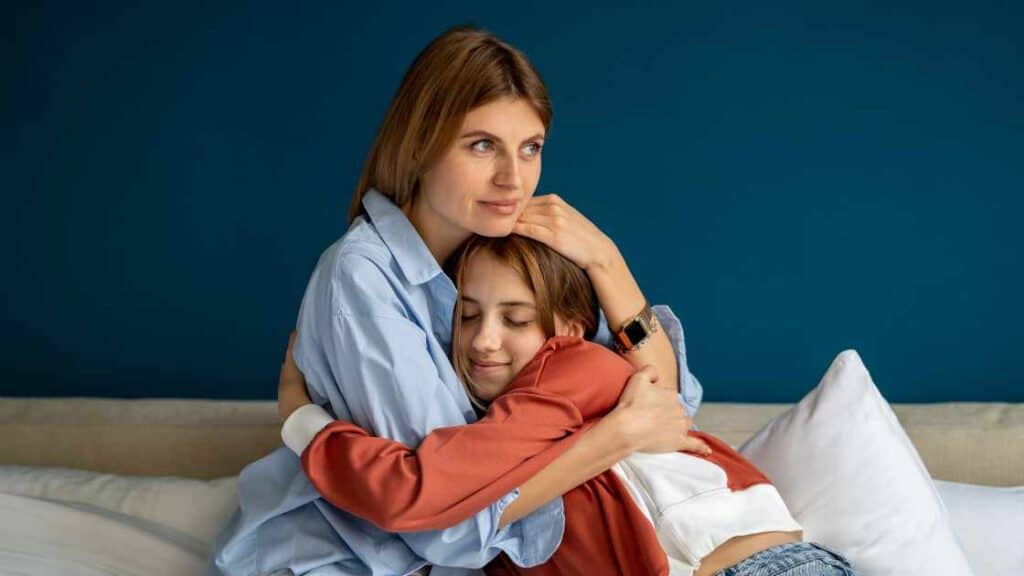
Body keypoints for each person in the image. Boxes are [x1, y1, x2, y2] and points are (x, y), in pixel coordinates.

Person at [209, 25, 702, 576]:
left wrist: (607, 262)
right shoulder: (362, 276)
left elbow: (664, 407)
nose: (512, 178)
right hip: (344, 562)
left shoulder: (497, 255)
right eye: (482, 145)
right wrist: (609, 439)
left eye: (530, 148)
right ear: (420, 145)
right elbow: (446, 526)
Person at [279, 235, 857, 576]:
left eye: (516, 318)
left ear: (570, 329)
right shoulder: (518, 447)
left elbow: (417, 488)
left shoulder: (571, 369)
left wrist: (304, 423)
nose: (483, 340)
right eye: (468, 314)